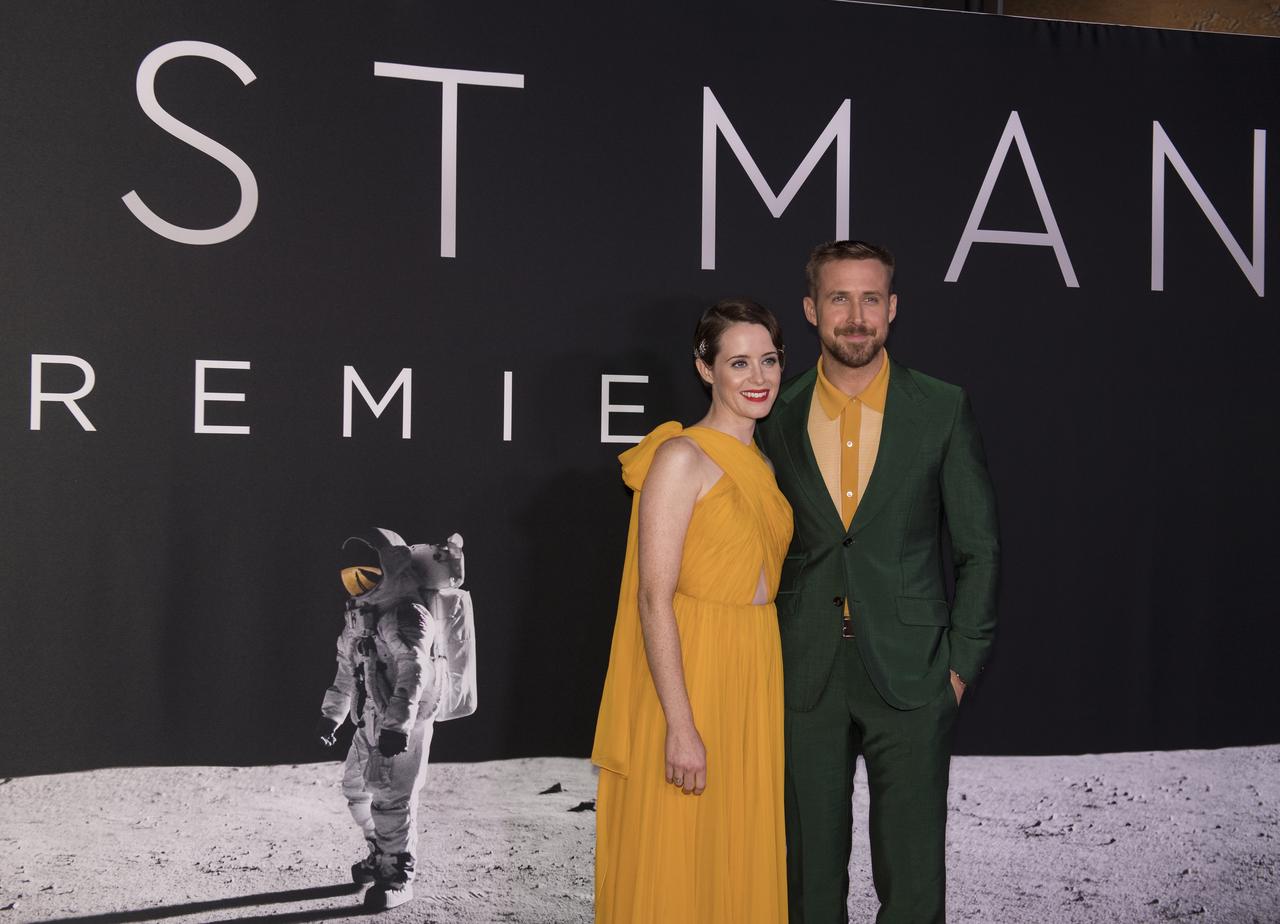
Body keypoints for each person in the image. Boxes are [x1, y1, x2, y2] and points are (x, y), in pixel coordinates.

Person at [755, 241, 999, 924]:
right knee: (807, 880)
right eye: (839, 298)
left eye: (870, 299)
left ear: (892, 308)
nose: (855, 316)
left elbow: (979, 549)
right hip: (804, 672)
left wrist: (959, 667)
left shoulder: (942, 408)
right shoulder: (774, 414)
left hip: (916, 675)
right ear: (811, 310)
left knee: (915, 885)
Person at [592, 298, 794, 924]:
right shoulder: (681, 458)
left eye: (769, 360)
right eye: (740, 362)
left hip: (753, 667)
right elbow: (654, 597)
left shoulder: (762, 463)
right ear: (706, 369)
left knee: (736, 851)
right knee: (679, 853)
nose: (758, 378)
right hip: (690, 673)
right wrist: (680, 725)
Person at [314, 527, 477, 913]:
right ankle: (380, 852)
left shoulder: (407, 614)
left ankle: (397, 873)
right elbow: (344, 671)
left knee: (391, 797)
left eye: (367, 576)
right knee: (356, 788)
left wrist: (397, 727)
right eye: (349, 578)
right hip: (370, 717)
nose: (357, 585)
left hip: (402, 724)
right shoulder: (360, 618)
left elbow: (413, 673)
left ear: (391, 569)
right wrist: (332, 716)